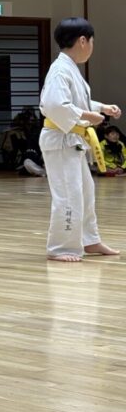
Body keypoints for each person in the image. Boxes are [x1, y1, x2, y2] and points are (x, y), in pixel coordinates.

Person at [40, 16, 120, 262]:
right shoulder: (59, 70)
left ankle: (89, 240)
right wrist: (87, 115)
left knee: (85, 191)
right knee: (68, 194)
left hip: (71, 141)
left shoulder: (69, 68)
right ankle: (60, 247)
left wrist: (101, 107)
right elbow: (54, 105)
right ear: (83, 41)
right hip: (60, 140)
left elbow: (74, 101)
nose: (92, 46)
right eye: (92, 41)